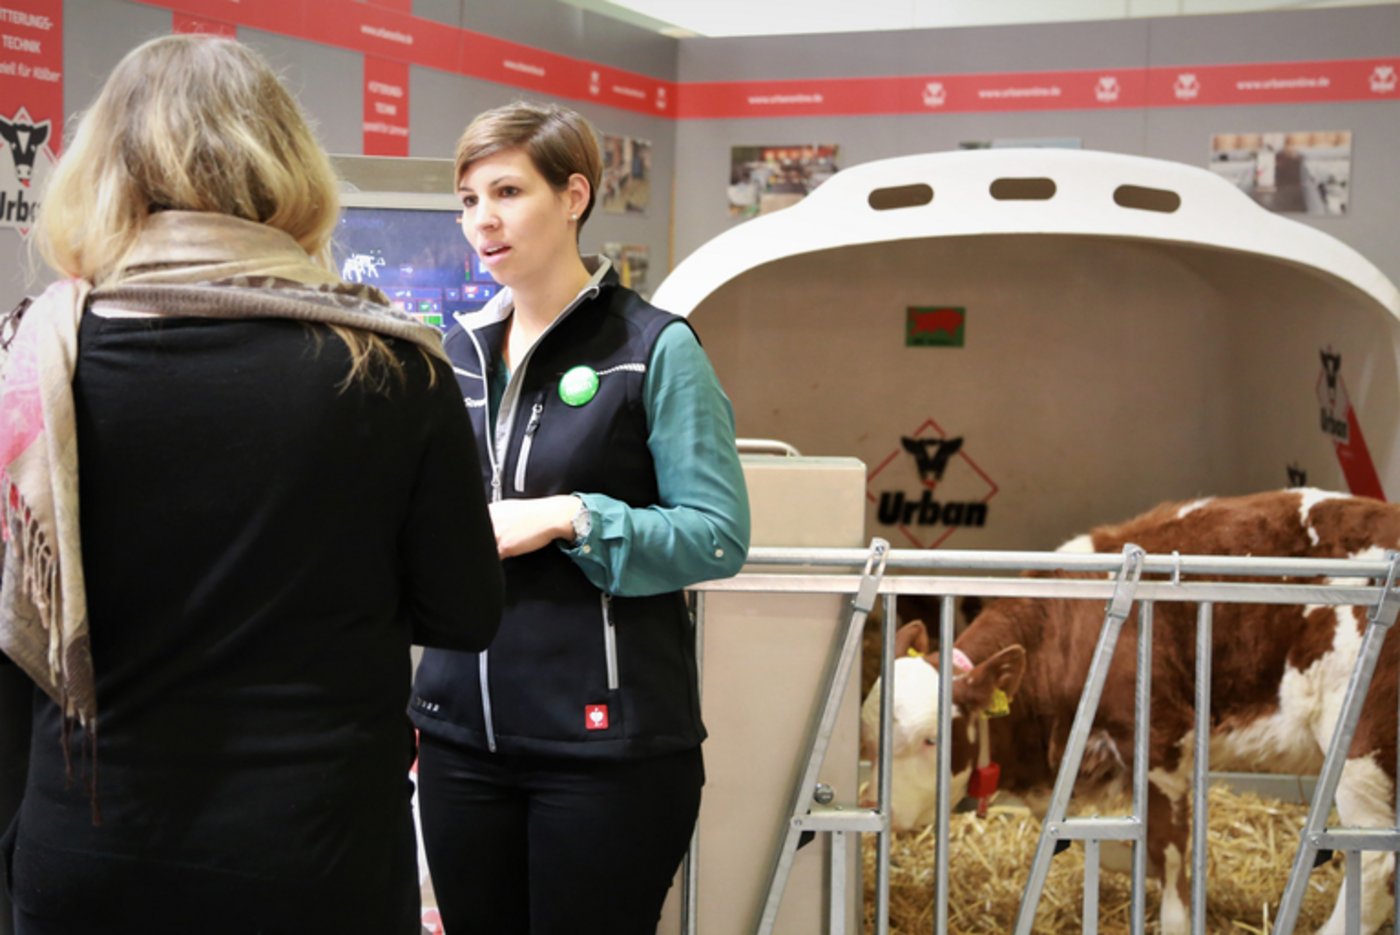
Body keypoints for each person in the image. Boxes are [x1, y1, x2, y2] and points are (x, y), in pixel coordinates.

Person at [0, 35, 503, 934]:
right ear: (287, 166)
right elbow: (465, 609)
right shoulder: (390, 366)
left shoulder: (32, 365)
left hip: (89, 853)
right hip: (318, 860)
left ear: (102, 170)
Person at [411, 101, 750, 935]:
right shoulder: (446, 354)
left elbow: (717, 531)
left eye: (506, 191)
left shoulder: (654, 347)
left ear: (574, 195)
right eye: (466, 200)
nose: (482, 219)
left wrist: (574, 515)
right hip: (458, 743)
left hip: (606, 755)